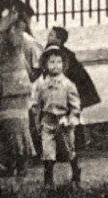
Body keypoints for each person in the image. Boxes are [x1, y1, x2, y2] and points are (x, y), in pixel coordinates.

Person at [0, 3, 40, 175]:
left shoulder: (18, 29)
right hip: (0, 84)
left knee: (18, 125)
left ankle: (21, 164)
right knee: (5, 124)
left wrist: (15, 24)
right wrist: (8, 22)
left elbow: (16, 43)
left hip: (16, 85)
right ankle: (11, 162)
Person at [31, 47, 83, 188]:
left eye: (59, 62)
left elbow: (75, 105)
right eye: (52, 62)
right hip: (47, 121)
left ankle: (75, 175)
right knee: (48, 151)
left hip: (64, 120)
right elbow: (36, 105)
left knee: (70, 148)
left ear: (64, 64)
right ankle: (48, 180)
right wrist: (37, 125)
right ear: (45, 64)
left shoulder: (67, 84)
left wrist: (71, 118)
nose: (55, 65)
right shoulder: (41, 84)